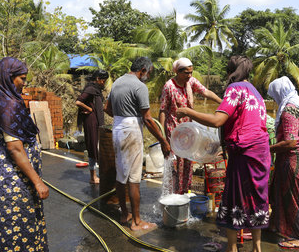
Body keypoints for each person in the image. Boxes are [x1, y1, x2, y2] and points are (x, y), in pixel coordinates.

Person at [0, 57, 70, 252]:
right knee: (26, 226)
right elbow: (15, 148)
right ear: (9, 78)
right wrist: (37, 181)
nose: (23, 84)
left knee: (5, 228)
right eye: (21, 79)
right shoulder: (7, 105)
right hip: (13, 181)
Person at [176, 56, 270, 252]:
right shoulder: (255, 91)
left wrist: (188, 112)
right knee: (256, 199)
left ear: (231, 71)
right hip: (261, 151)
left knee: (233, 198)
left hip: (244, 152)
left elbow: (219, 120)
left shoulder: (235, 89)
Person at [105, 57, 171, 231]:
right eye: (148, 73)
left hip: (118, 128)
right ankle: (136, 222)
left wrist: (121, 116)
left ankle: (124, 214)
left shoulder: (117, 82)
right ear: (143, 70)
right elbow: (148, 119)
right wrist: (163, 141)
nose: (147, 77)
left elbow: (107, 108)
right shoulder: (139, 86)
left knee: (121, 175)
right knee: (134, 178)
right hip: (131, 130)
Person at [267, 76, 299, 249]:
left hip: (294, 155)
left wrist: (267, 149)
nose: (274, 100)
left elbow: (290, 141)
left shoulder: (289, 109)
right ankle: (275, 225)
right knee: (277, 188)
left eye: (274, 96)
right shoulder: (298, 102)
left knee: (291, 194)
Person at [159, 57, 222, 194]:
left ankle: (184, 192)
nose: (189, 76)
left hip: (189, 131)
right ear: (178, 72)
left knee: (188, 162)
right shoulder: (169, 86)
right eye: (186, 73)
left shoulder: (191, 83)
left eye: (191, 72)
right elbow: (163, 111)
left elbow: (205, 92)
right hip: (174, 131)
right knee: (176, 165)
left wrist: (222, 103)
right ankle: (174, 196)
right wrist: (163, 138)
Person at [76, 69, 108, 184]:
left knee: (96, 147)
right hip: (91, 121)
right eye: (103, 81)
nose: (103, 83)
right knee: (93, 147)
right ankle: (93, 177)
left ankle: (97, 175)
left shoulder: (96, 90)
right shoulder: (91, 89)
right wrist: (89, 109)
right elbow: (78, 102)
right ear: (98, 79)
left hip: (95, 121)